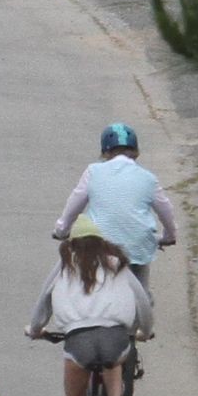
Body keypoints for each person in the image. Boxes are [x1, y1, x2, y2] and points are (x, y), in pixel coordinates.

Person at [28, 214, 153, 396]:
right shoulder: (118, 264)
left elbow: (43, 301)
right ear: (102, 242)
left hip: (78, 340)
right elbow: (142, 302)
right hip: (114, 336)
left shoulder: (65, 265)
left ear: (71, 244)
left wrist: (35, 329)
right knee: (114, 358)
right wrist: (145, 330)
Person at [52, 122, 177, 287]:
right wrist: (169, 236)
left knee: (71, 280)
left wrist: (62, 230)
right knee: (141, 292)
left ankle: (47, 303)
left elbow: (75, 204)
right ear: (136, 151)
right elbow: (166, 210)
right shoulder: (148, 178)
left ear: (105, 152)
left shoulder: (93, 172)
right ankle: (144, 301)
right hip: (136, 247)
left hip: (101, 246)